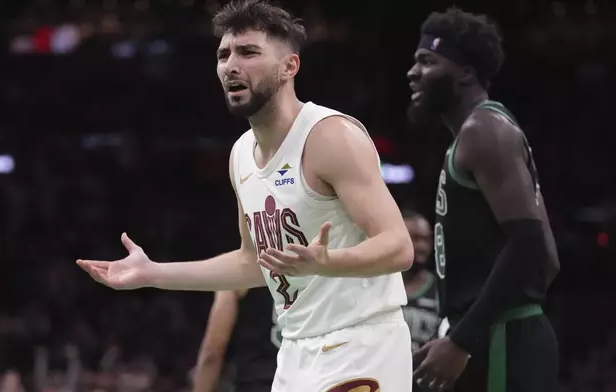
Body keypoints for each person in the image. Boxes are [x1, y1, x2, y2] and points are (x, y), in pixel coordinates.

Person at [77, 0, 415, 390]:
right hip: (294, 352)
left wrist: (327, 261)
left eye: (248, 52)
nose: (230, 65)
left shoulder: (329, 136)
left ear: (289, 66)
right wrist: (153, 273)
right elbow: (252, 263)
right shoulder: (240, 155)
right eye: (224, 54)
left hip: (359, 343)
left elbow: (398, 247)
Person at [406, 7, 561, 392]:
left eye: (427, 61)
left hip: (500, 339)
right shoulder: (479, 134)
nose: (413, 72)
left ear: (465, 72)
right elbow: (550, 260)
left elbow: (530, 245)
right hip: (492, 336)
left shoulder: (484, 130)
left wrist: (463, 337)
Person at [191, 288, 280, 392]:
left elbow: (212, 352)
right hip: (297, 380)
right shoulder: (302, 276)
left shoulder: (240, 275)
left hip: (254, 383)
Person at [400, 209, 440, 354]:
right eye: (414, 238)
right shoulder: (376, 286)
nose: (421, 247)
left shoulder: (441, 289)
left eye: (426, 239)